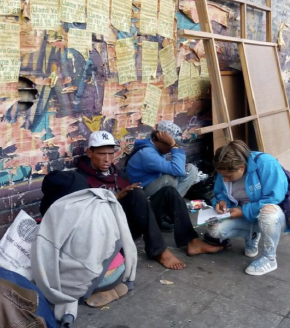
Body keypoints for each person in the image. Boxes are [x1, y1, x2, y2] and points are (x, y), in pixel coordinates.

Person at [77, 131, 222, 269]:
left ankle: (192, 240)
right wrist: (117, 197)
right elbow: (86, 213)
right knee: (137, 193)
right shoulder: (80, 178)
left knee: (169, 192)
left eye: (110, 154)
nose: (107, 159)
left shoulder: (116, 173)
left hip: (134, 221)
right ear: (90, 152)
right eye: (101, 154)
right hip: (112, 228)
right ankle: (158, 250)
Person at [33, 171, 138, 324]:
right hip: (120, 268)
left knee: (42, 271)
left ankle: (91, 291)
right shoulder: (101, 200)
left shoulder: (63, 211)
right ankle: (114, 283)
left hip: (93, 279)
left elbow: (47, 255)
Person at [208, 140, 289, 276]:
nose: (225, 179)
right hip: (243, 213)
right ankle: (251, 235)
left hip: (275, 217)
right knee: (214, 229)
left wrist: (243, 211)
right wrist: (221, 201)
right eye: (222, 176)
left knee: (268, 212)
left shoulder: (266, 163)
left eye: (228, 176)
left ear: (241, 167)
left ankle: (270, 258)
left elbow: (274, 197)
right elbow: (220, 192)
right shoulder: (225, 168)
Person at [126, 120, 197, 198]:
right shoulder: (147, 153)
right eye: (170, 145)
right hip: (141, 193)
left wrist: (173, 145)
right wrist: (173, 145)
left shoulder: (156, 148)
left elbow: (179, 170)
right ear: (160, 140)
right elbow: (178, 170)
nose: (171, 149)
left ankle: (175, 203)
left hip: (153, 184)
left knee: (191, 169)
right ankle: (171, 204)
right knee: (169, 180)